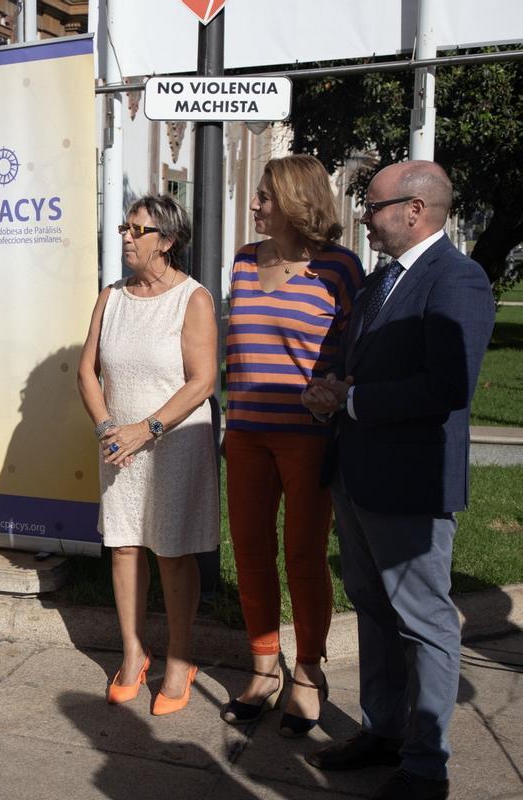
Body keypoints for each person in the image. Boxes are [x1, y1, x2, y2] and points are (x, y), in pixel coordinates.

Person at [302, 161, 494, 800]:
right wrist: (335, 387)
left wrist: (353, 401)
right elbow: (364, 362)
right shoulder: (385, 280)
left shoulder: (458, 281)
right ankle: (383, 731)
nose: (365, 216)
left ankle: (425, 764)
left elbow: (447, 385)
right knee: (376, 612)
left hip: (409, 484)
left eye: (374, 205)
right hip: (357, 477)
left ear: (415, 210)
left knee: (423, 620)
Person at [221, 155, 364, 735]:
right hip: (246, 432)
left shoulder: (339, 269)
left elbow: (364, 349)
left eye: (264, 197)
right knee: (251, 551)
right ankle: (263, 667)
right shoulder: (241, 262)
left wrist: (342, 388)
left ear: (295, 201)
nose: (254, 206)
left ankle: (308, 670)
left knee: (304, 557)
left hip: (308, 437)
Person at [76, 194, 219, 716]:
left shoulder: (193, 300)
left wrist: (148, 428)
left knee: (174, 551)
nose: (128, 238)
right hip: (119, 444)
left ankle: (181, 660)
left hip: (175, 439)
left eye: (139, 230)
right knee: (125, 545)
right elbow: (86, 370)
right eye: (125, 227)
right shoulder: (111, 296)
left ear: (168, 241)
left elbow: (203, 381)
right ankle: (134, 653)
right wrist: (108, 427)